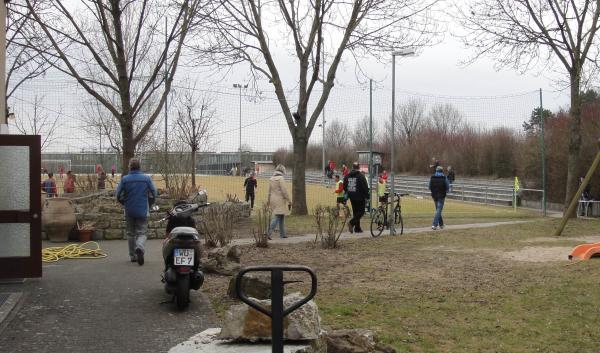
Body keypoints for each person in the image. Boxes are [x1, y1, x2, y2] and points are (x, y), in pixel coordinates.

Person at [116, 158, 157, 266]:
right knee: (142, 232)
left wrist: (123, 202)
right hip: (142, 209)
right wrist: (150, 202)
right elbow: (154, 192)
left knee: (130, 233)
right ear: (140, 167)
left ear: (130, 167)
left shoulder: (125, 179)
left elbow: (118, 194)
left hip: (129, 209)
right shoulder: (146, 179)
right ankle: (140, 247)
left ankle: (133, 256)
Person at [267, 164, 292, 239]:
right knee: (277, 216)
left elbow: (269, 191)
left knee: (281, 216)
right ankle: (267, 233)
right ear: (282, 170)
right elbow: (284, 191)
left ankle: (283, 234)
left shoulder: (271, 178)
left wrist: (268, 201)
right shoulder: (281, 179)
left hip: (272, 199)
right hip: (280, 200)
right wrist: (289, 200)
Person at [344, 162, 369, 233]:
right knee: (361, 212)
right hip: (360, 197)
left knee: (356, 212)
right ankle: (351, 223)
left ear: (352, 167)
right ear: (358, 167)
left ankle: (357, 228)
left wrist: (349, 192)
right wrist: (367, 196)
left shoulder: (347, 176)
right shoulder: (361, 176)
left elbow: (344, 186)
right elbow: (365, 187)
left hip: (352, 196)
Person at [428, 165, 449, 230]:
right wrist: (446, 191)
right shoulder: (444, 178)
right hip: (441, 196)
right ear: (441, 171)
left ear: (436, 171)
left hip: (434, 196)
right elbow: (447, 187)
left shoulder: (432, 177)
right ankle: (434, 225)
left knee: (438, 210)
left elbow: (429, 187)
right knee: (439, 210)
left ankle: (441, 224)